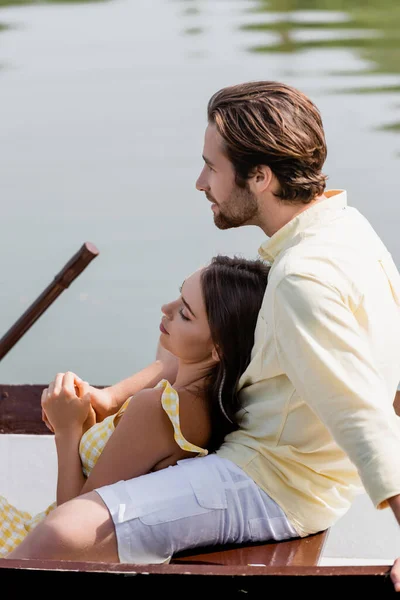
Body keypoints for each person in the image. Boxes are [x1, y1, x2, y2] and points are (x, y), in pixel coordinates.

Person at [6, 81, 400, 592]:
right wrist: (112, 396)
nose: (199, 182)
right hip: (302, 463)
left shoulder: (303, 278)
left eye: (212, 167)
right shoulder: (347, 228)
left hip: (275, 483)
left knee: (62, 532)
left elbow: (360, 414)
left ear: (259, 177)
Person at [0, 254, 271, 557]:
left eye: (185, 313)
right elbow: (165, 363)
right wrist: (107, 402)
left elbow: (73, 528)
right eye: (178, 296)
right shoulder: (203, 404)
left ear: (218, 348)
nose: (166, 309)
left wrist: (66, 430)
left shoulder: (157, 408)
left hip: (32, 548)